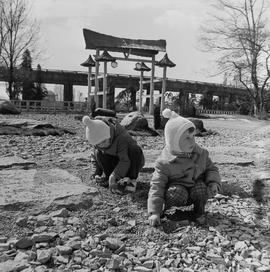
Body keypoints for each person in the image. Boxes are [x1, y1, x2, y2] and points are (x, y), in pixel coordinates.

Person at [148, 109, 221, 226]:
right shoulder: (164, 162)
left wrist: (213, 182)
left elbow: (211, 168)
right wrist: (154, 212)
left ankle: (198, 211)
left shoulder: (201, 154)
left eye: (193, 136)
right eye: (187, 138)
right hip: (177, 194)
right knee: (176, 192)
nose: (192, 141)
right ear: (174, 142)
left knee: (201, 188)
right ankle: (167, 211)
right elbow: (157, 186)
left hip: (195, 191)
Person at [82, 115, 145, 194]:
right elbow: (94, 158)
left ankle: (131, 180)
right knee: (98, 153)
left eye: (104, 141)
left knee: (135, 150)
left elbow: (124, 160)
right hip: (116, 162)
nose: (102, 145)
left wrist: (114, 175)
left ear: (109, 134)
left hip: (129, 162)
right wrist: (96, 173)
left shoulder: (122, 137)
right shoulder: (96, 139)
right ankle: (110, 179)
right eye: (98, 144)